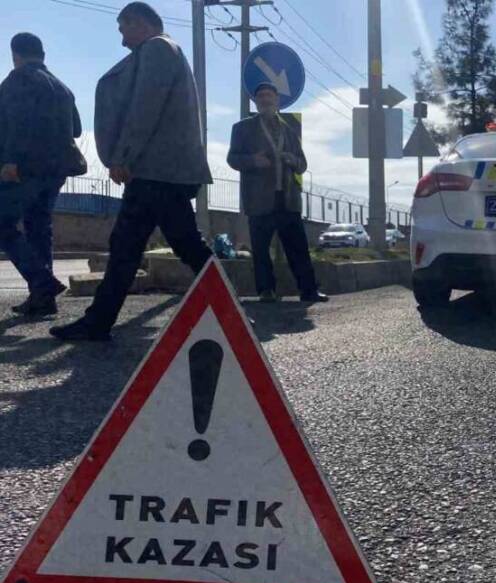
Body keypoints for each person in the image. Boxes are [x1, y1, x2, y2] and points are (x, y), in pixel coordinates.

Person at [51, 3, 212, 341]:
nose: (123, 38)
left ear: (139, 23)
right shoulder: (169, 51)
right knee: (163, 245)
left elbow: (144, 108)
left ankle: (98, 322)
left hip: (157, 171)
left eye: (124, 29)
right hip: (165, 172)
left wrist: (123, 155)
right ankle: (98, 321)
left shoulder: (157, 49)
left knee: (138, 245)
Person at [0, 33, 84, 317]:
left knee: (3, 224)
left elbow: (13, 122)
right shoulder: (63, 88)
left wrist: (10, 160)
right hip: (56, 170)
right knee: (39, 227)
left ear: (16, 54)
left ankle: (42, 282)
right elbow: (76, 130)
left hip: (23, 169)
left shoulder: (18, 80)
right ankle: (42, 298)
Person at [227, 82, 326, 304]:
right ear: (256, 101)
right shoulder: (242, 128)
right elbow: (232, 159)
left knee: (298, 249)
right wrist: (254, 160)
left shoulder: (288, 130)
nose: (265, 99)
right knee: (261, 250)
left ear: (277, 101)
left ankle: (308, 291)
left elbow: (303, 164)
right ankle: (266, 291)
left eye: (269, 96)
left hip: (287, 200)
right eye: (260, 96)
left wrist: (293, 160)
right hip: (259, 200)